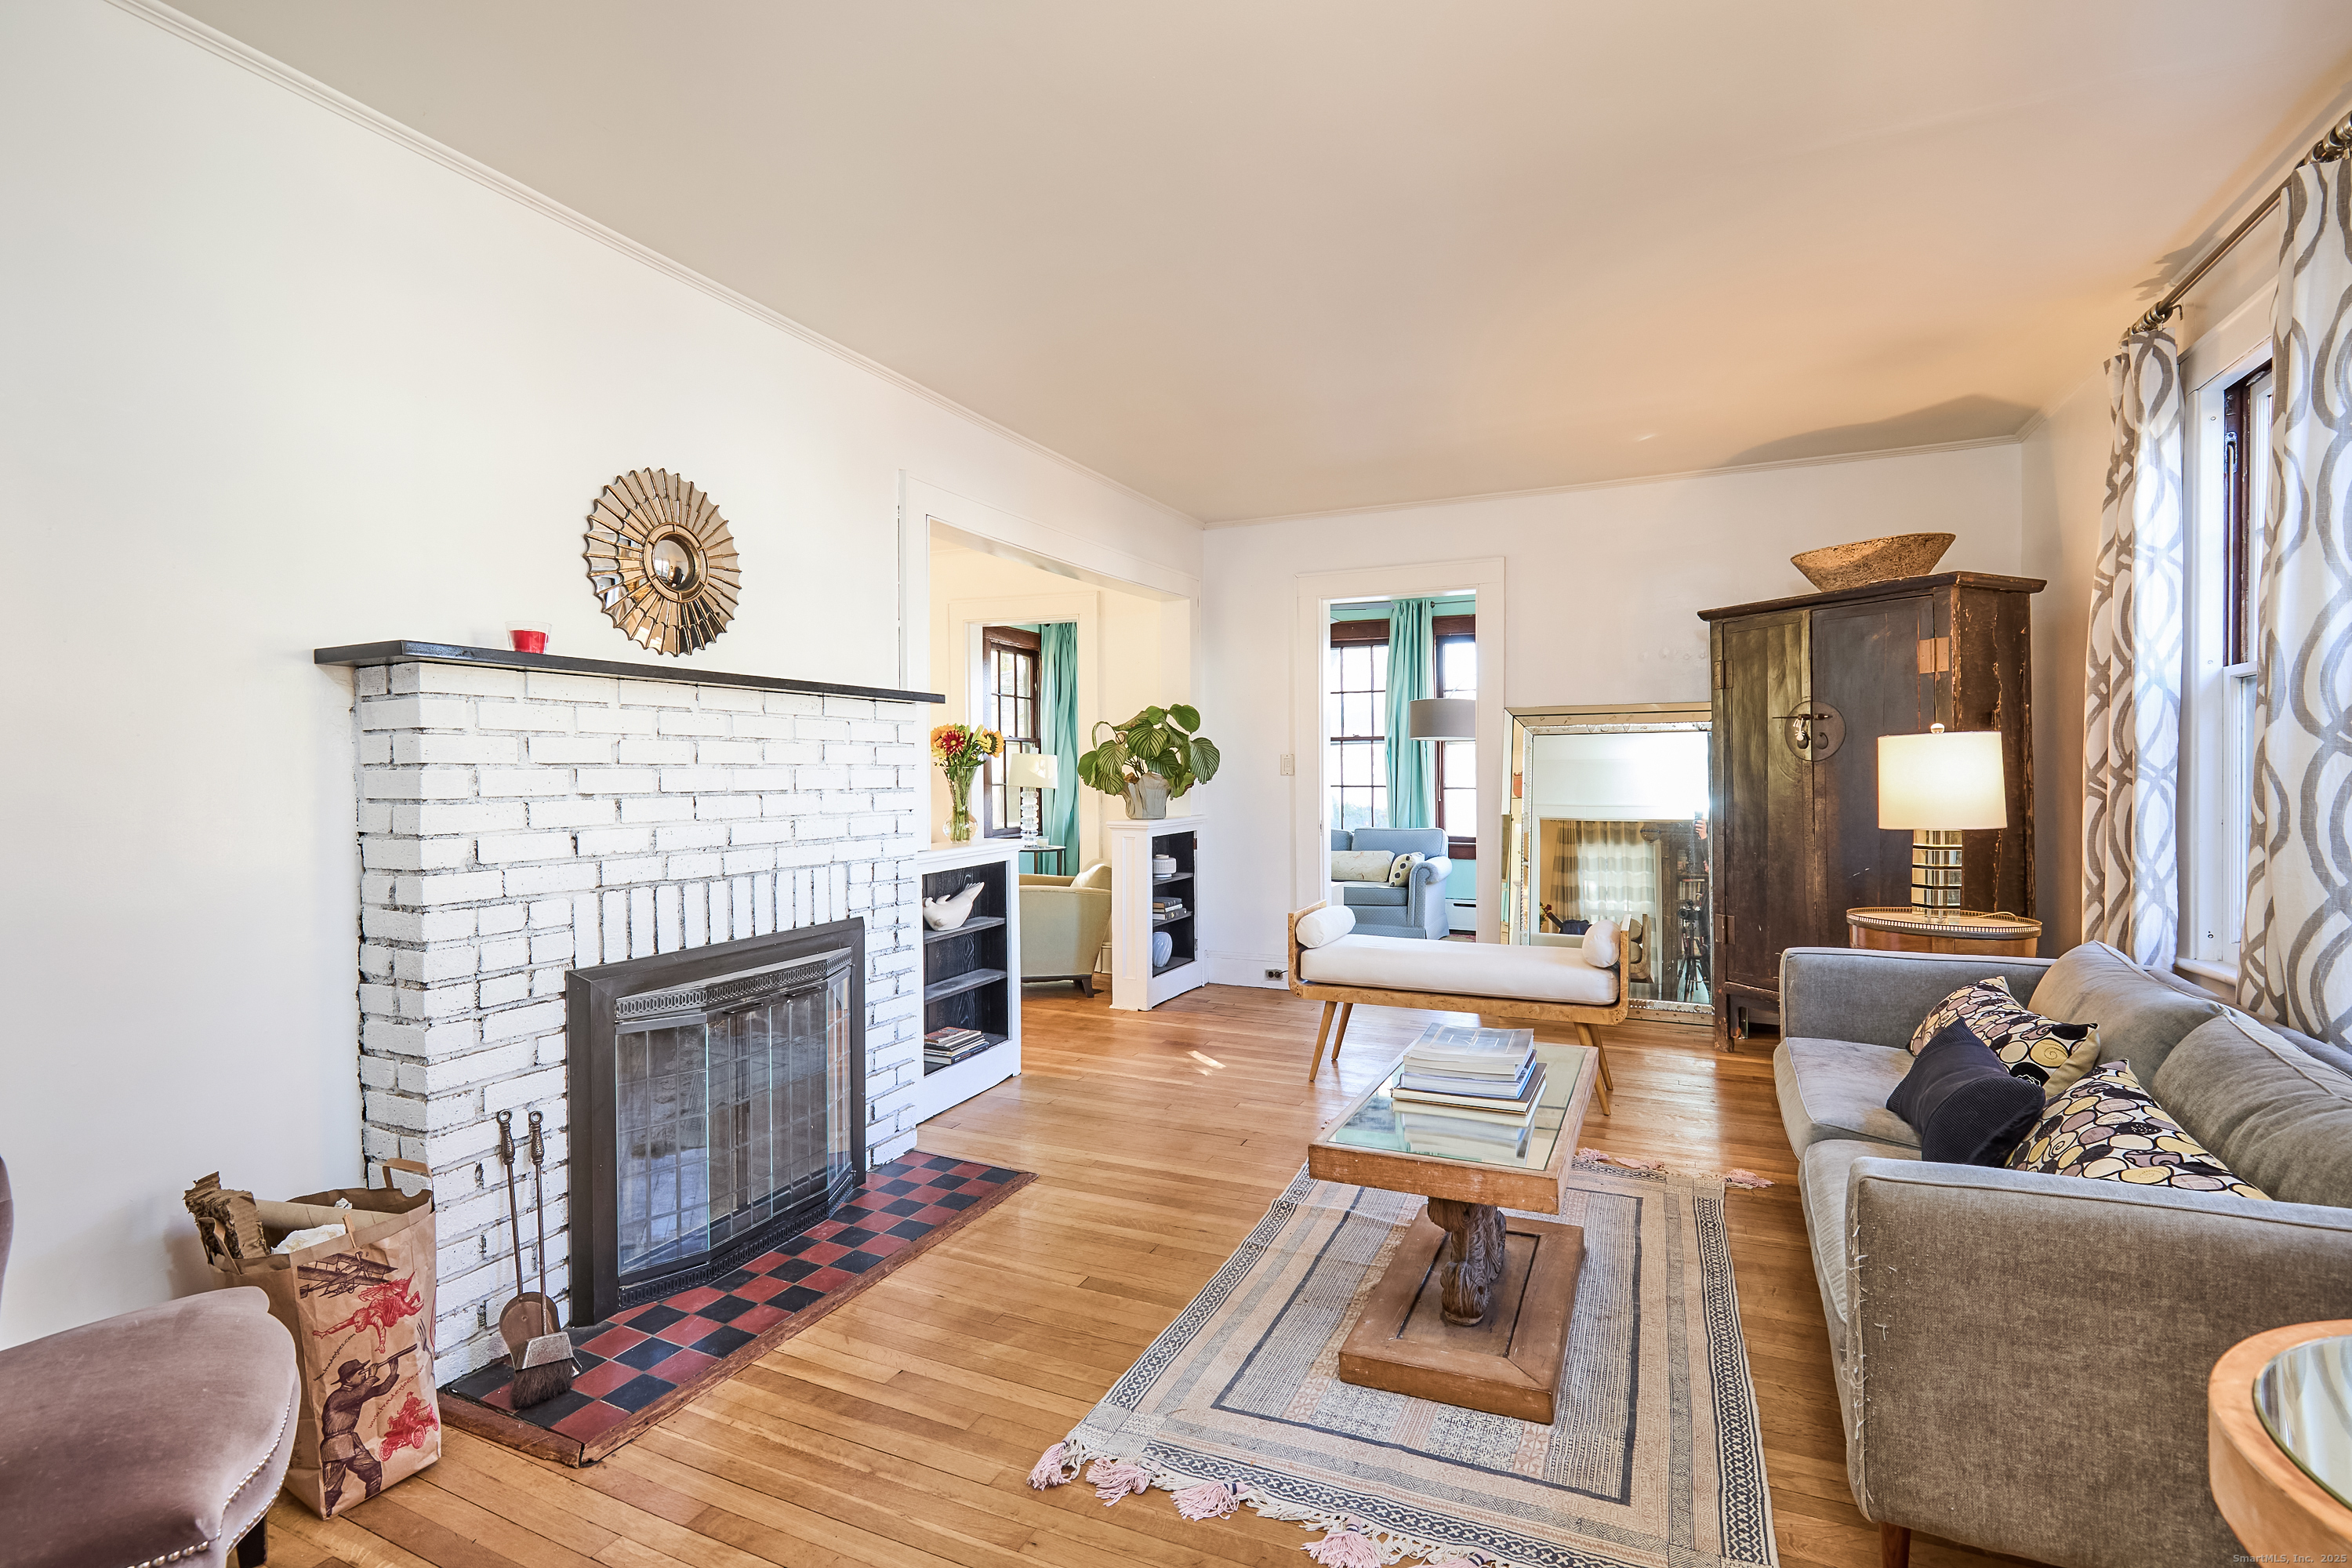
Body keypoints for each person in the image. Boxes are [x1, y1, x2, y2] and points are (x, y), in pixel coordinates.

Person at [319, 1347, 411, 1512]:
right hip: (336, 1446)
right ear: (348, 1380)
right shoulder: (338, 1397)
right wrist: (371, 1378)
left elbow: (380, 1390)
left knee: (374, 1473)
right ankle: (326, 1511)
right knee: (331, 1491)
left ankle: (372, 1506)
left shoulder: (357, 1393)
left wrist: (392, 1373)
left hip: (351, 1442)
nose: (364, 1374)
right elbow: (357, 1395)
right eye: (360, 1372)